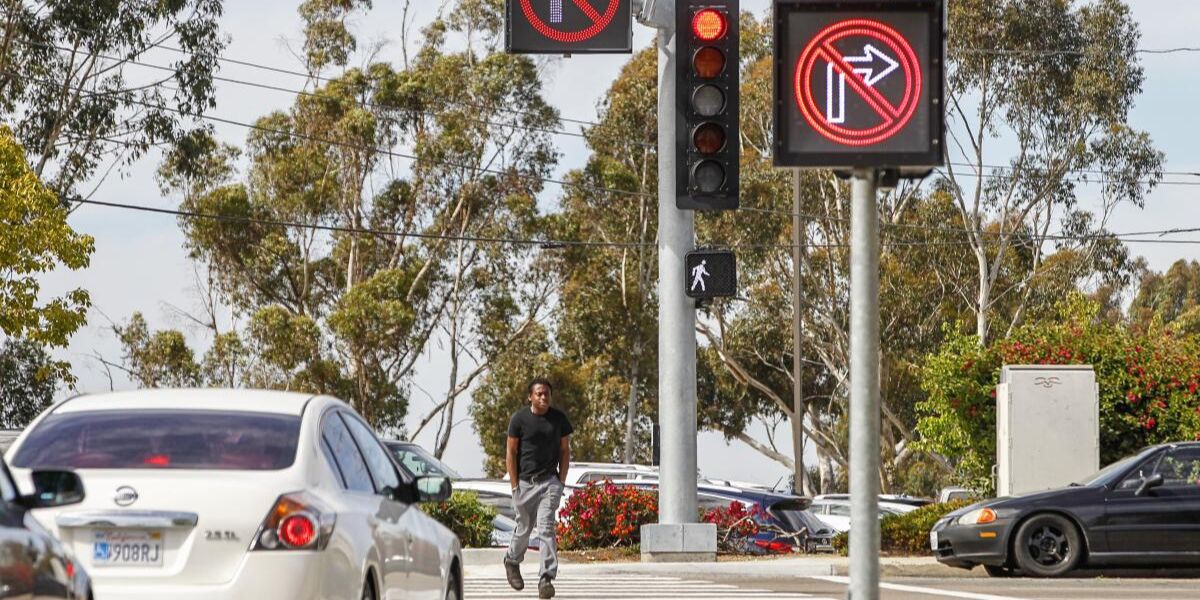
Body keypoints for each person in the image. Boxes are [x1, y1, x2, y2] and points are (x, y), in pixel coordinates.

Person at [503, 377, 572, 599]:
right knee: (523, 528)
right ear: (530, 396)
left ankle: (546, 578)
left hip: (549, 483)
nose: (544, 397)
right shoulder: (519, 419)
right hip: (524, 483)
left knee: (546, 529)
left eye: (547, 394)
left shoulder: (559, 419)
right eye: (539, 394)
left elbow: (564, 451)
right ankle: (512, 561)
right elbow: (511, 454)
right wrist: (515, 487)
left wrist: (560, 482)